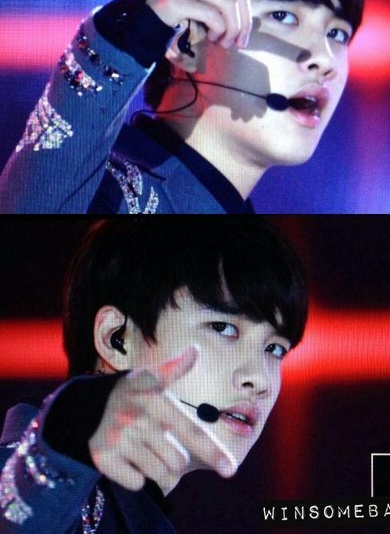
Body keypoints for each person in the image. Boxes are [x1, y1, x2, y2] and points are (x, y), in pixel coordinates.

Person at [0, 0, 363, 213]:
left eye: (337, 33)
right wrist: (133, 25)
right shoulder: (103, 195)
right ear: (184, 41)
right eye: (283, 16)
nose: (324, 60)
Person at [0, 217, 308, 533]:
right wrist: (70, 429)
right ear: (117, 339)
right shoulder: (28, 475)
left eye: (274, 349)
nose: (259, 379)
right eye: (223, 328)